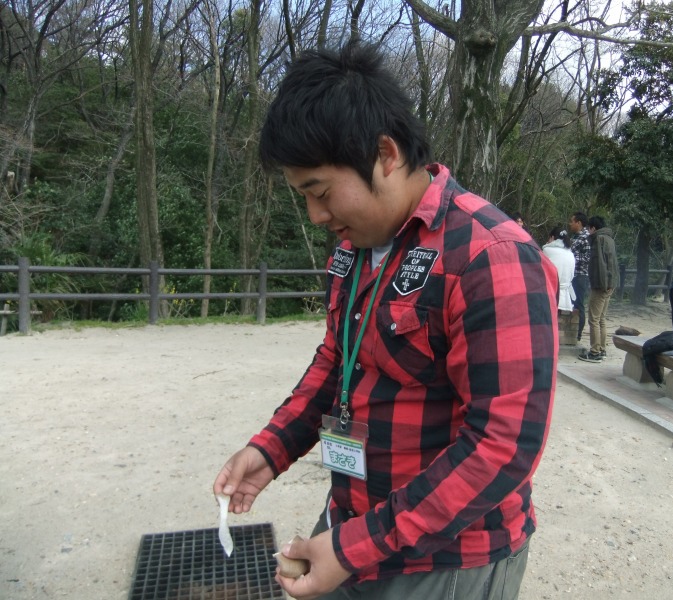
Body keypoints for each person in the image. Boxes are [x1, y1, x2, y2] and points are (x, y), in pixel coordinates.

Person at [213, 42, 559, 600]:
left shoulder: (489, 256)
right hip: (352, 524)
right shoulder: (356, 248)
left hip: (446, 559)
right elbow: (337, 361)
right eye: (303, 197)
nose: (316, 215)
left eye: (321, 192)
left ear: (385, 154)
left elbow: (503, 445)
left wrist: (358, 546)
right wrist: (271, 448)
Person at [578, 216, 619, 363]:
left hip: (601, 285)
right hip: (610, 284)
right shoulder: (609, 239)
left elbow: (600, 265)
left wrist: (600, 284)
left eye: (588, 229)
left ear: (593, 228)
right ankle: (602, 349)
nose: (588, 232)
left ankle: (595, 352)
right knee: (601, 318)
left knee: (594, 319)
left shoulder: (598, 239)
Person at [542, 226, 576, 313]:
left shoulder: (547, 250)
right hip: (565, 295)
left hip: (550, 292)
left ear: (552, 237)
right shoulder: (570, 253)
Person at [568, 212, 590, 342]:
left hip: (580, 276)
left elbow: (587, 258)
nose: (570, 224)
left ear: (579, 223)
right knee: (571, 304)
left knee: (579, 304)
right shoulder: (575, 236)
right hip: (573, 275)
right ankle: (571, 331)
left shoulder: (586, 237)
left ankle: (578, 334)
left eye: (572, 221)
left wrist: (571, 257)